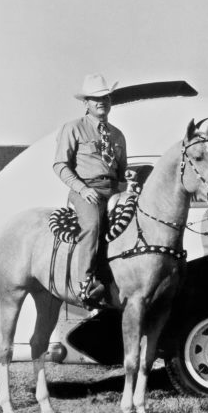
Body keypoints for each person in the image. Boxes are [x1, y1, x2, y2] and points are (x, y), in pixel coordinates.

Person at [52, 74, 128, 307]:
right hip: (87, 189)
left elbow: (122, 172)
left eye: (105, 97)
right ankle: (84, 285)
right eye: (95, 99)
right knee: (93, 225)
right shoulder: (73, 128)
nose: (101, 102)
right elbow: (60, 165)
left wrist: (129, 189)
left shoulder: (117, 135)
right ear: (85, 103)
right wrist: (82, 189)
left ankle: (123, 280)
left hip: (113, 189)